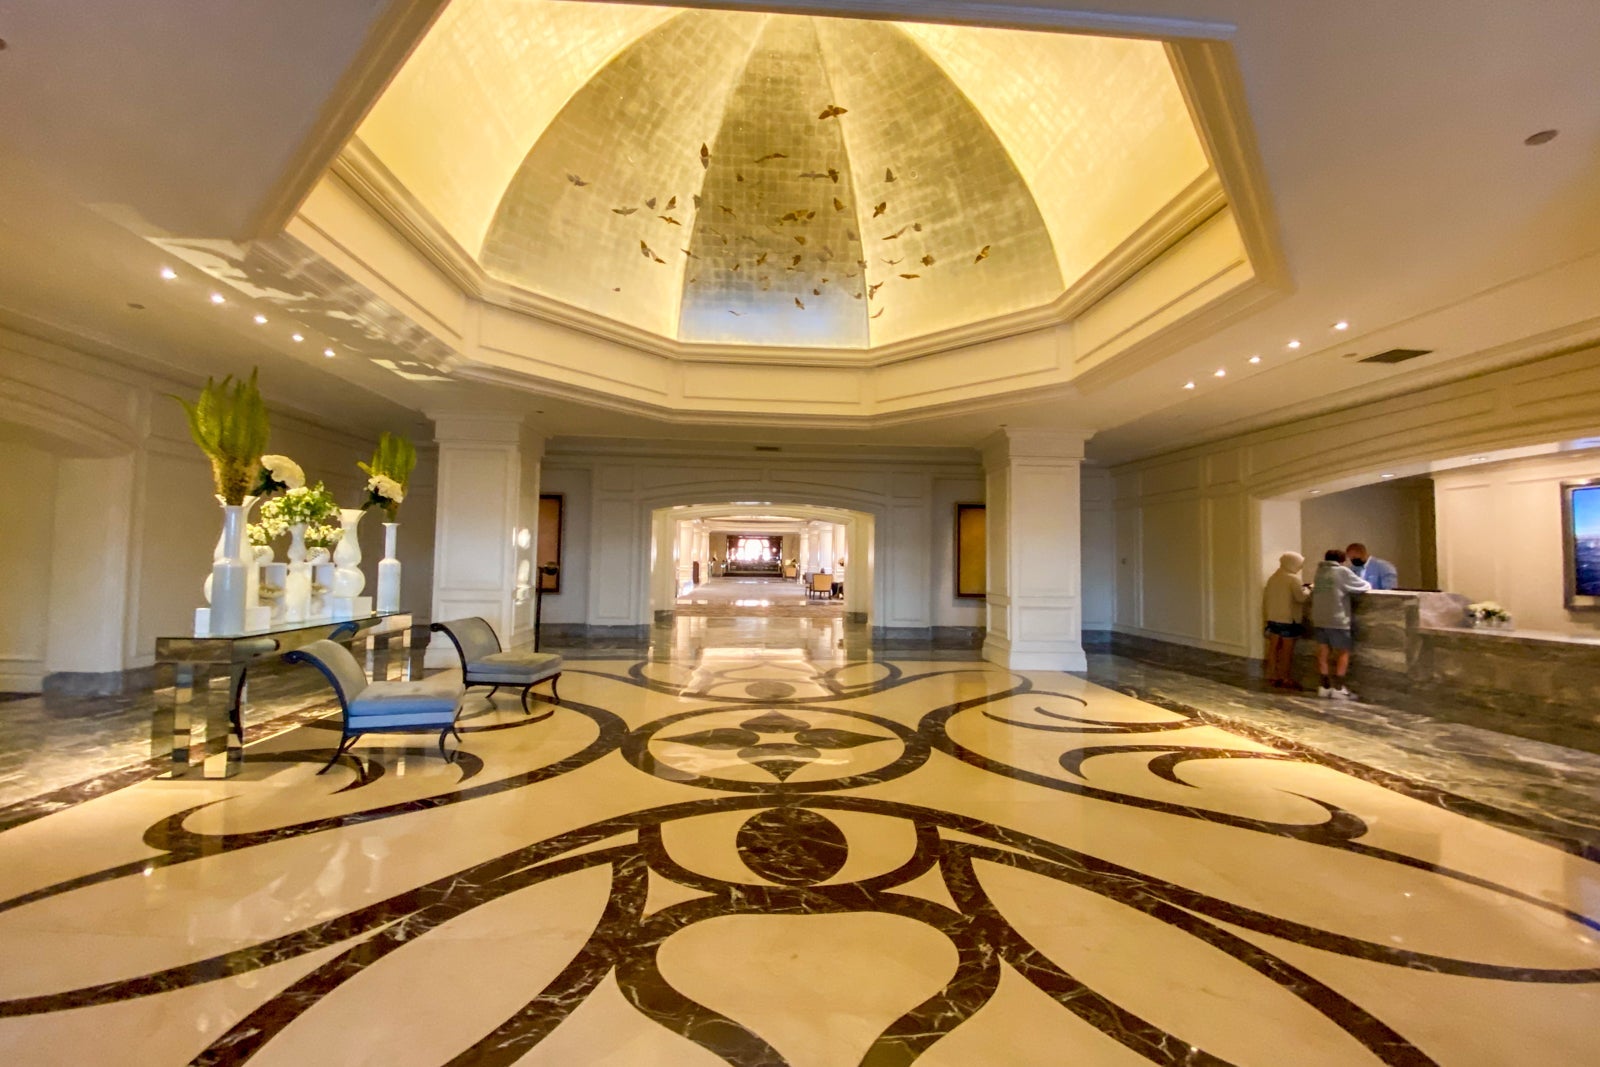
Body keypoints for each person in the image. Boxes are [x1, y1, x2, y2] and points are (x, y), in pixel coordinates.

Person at [1311, 548, 1371, 699]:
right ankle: (1338, 688)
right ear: (1342, 560)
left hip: (1319, 618)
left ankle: (1324, 686)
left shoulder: (1319, 573)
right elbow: (1363, 586)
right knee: (1343, 651)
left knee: (1323, 651)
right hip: (1337, 618)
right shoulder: (1342, 572)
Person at [1262, 552, 1310, 689]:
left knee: (1273, 649)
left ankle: (1272, 675)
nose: (1300, 567)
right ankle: (1285, 677)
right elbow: (1301, 598)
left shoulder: (1273, 578)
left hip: (1273, 618)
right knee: (1286, 651)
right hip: (1288, 619)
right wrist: (1309, 589)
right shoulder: (1293, 579)